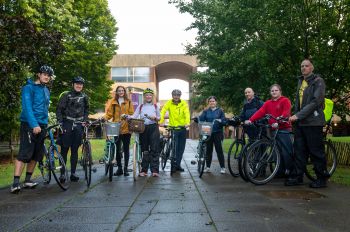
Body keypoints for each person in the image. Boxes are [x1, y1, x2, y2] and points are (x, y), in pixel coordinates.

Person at [11, 65, 54, 193]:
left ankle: (28, 180)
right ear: (39, 75)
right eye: (44, 74)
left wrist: (45, 124)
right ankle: (15, 183)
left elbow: (45, 109)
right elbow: (27, 108)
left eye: (49, 75)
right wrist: (34, 124)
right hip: (29, 124)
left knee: (37, 154)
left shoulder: (46, 90)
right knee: (25, 152)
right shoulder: (28, 88)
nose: (47, 77)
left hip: (42, 125)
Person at [287, 59, 328, 188]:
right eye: (302, 66)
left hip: (313, 122)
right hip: (300, 123)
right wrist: (294, 114)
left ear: (312, 68)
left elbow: (316, 102)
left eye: (306, 66)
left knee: (316, 151)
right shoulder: (301, 81)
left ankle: (321, 178)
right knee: (299, 150)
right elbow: (298, 103)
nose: (304, 68)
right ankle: (298, 177)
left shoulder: (318, 81)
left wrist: (298, 115)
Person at [245, 84, 294, 178]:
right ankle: (279, 171)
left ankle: (290, 170)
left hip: (284, 128)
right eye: (272, 91)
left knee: (286, 151)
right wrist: (251, 120)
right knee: (276, 151)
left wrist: (280, 120)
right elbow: (260, 112)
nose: (274, 92)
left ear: (280, 91)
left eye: (276, 90)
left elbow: (286, 113)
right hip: (273, 129)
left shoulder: (285, 100)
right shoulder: (268, 103)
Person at [56, 76, 89, 182]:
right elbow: (59, 110)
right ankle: (62, 174)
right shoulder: (66, 95)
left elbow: (87, 109)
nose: (79, 85)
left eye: (81, 84)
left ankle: (73, 173)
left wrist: (85, 119)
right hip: (67, 124)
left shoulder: (84, 96)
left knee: (75, 150)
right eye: (77, 84)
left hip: (79, 126)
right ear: (73, 85)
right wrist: (60, 122)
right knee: (64, 150)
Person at [129, 88, 160, 177]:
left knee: (154, 149)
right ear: (144, 97)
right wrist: (128, 117)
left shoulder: (155, 106)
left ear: (152, 96)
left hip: (153, 127)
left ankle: (155, 170)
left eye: (150, 95)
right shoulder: (141, 106)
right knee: (145, 150)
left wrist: (155, 118)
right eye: (146, 95)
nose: (148, 96)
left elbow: (159, 118)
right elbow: (134, 115)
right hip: (143, 128)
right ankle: (144, 170)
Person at [105, 86, 134, 176]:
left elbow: (132, 113)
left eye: (122, 90)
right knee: (117, 149)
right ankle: (120, 169)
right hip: (116, 128)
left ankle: (125, 169)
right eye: (119, 91)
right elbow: (109, 114)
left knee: (126, 149)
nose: (121, 92)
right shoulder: (113, 102)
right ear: (116, 92)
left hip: (126, 128)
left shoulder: (128, 102)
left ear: (124, 92)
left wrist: (127, 116)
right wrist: (103, 118)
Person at [159, 89, 190, 172]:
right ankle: (172, 161)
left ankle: (178, 164)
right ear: (172, 96)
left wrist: (187, 122)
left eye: (178, 95)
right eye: (174, 95)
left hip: (182, 128)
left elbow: (187, 113)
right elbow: (163, 111)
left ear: (180, 96)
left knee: (181, 148)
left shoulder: (184, 103)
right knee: (174, 146)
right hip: (173, 128)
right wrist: (160, 121)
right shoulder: (169, 103)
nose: (176, 97)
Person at [198, 96, 227, 174]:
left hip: (217, 133)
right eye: (210, 101)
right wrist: (197, 119)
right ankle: (207, 167)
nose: (212, 102)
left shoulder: (220, 111)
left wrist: (220, 121)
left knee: (219, 150)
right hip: (208, 133)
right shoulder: (206, 111)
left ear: (216, 102)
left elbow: (224, 121)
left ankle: (222, 167)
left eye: (213, 101)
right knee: (208, 150)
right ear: (208, 103)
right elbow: (201, 119)